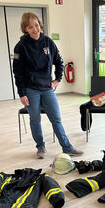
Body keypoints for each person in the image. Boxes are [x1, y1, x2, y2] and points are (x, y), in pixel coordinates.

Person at [13, 12, 83, 159]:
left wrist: (57, 79)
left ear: (40, 25)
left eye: (36, 25)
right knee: (35, 119)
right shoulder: (20, 47)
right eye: (30, 27)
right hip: (30, 89)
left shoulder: (48, 42)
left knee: (56, 118)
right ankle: (40, 147)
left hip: (47, 88)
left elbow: (59, 61)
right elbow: (18, 73)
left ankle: (67, 147)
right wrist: (22, 94)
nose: (35, 29)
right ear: (25, 29)